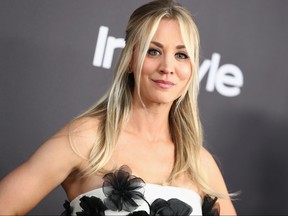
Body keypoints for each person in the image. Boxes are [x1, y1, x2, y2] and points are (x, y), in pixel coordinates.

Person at [0, 0, 237, 215]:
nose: (168, 66)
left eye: (182, 55)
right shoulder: (87, 139)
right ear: (131, 60)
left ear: (192, 68)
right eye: (153, 51)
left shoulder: (199, 163)